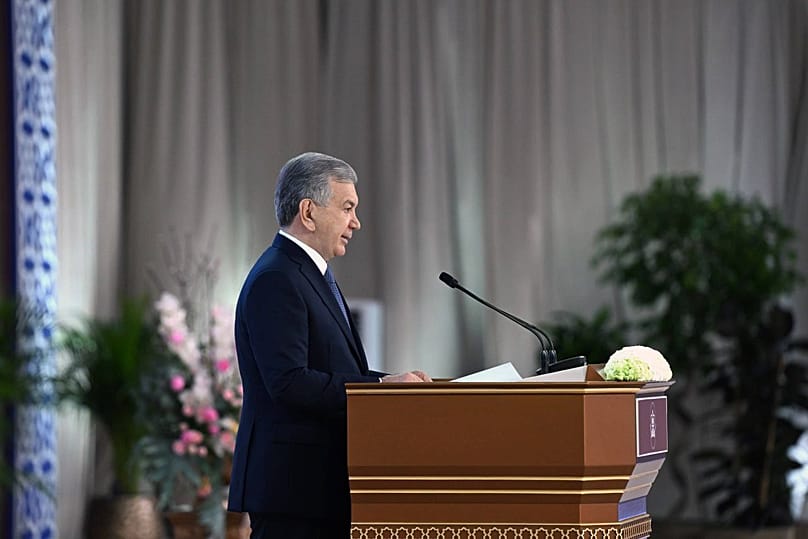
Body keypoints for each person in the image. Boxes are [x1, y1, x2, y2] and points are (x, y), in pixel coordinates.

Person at [227, 152, 431, 538]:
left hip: (313, 488)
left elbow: (333, 372)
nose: (356, 222)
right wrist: (381, 390)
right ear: (308, 211)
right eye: (347, 207)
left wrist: (390, 382)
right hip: (293, 490)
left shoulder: (306, 273)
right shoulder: (278, 278)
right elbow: (288, 382)